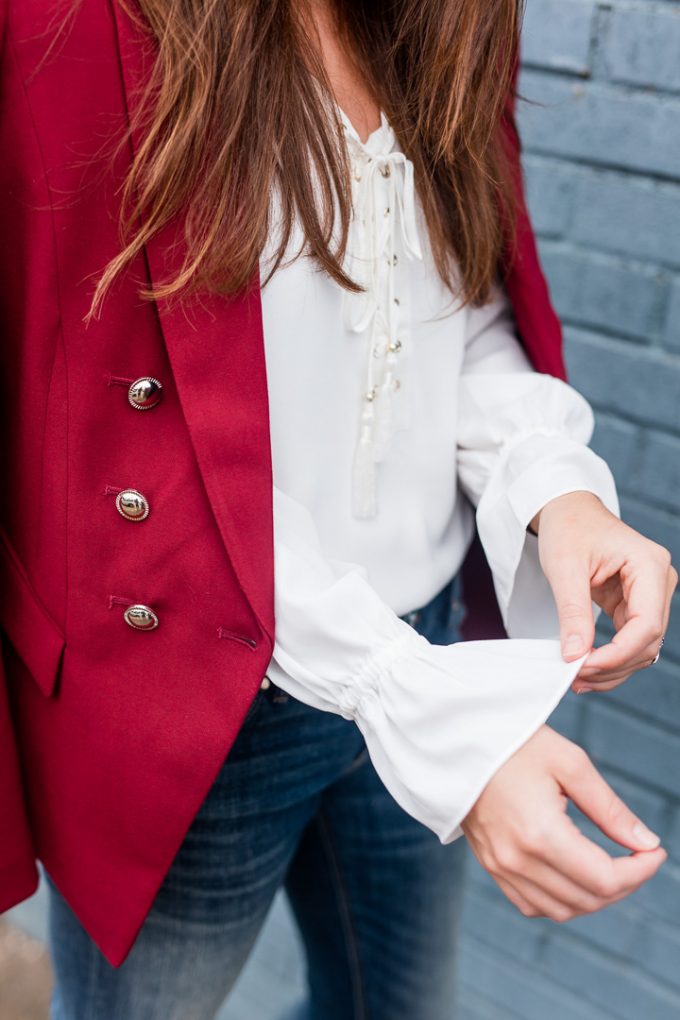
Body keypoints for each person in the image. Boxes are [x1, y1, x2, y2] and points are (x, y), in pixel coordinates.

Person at [0, 0, 675, 1017]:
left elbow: (459, 311)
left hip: (430, 645)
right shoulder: (67, 29)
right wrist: (434, 717)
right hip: (191, 692)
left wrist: (555, 488)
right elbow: (102, 441)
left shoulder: (448, 21)